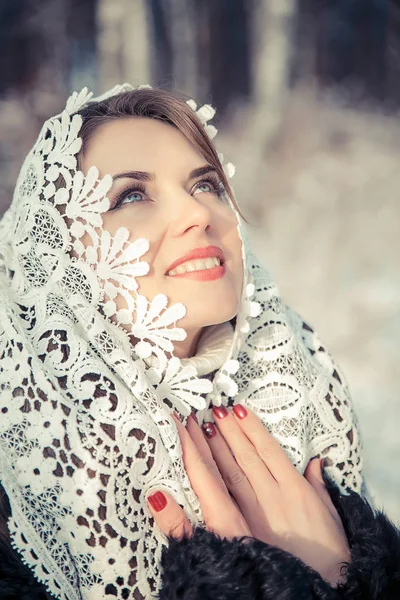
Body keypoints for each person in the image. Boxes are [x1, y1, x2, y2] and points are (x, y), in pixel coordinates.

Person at [0, 84, 394, 600]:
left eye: (206, 183)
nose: (199, 213)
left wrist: (357, 575)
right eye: (131, 195)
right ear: (56, 260)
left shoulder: (309, 411)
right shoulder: (24, 494)